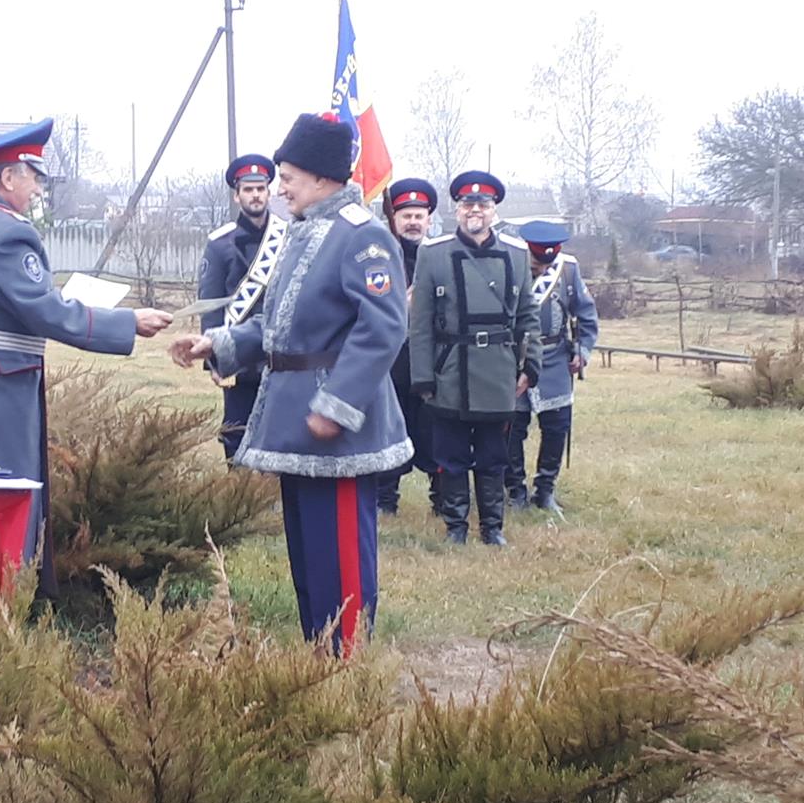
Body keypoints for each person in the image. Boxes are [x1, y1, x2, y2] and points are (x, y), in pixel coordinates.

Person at [170, 112, 410, 655]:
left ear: (324, 177)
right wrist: (222, 344)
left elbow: (383, 329)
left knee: (342, 550)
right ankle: (316, 648)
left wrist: (337, 404)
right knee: (311, 552)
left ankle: (345, 658)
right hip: (295, 424)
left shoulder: (363, 237)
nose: (279, 189)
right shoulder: (304, 233)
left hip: (340, 430)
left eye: (289, 178)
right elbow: (279, 323)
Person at [0, 118, 172, 598]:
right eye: (33, 178)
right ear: (8, 178)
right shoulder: (7, 233)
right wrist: (126, 323)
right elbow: (46, 311)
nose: (36, 192)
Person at [408, 170, 540, 547]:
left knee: (493, 456)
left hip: (499, 371)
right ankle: (455, 527)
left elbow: (529, 317)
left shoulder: (516, 254)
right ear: (456, 208)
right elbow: (419, 325)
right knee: (450, 456)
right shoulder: (433, 254)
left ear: (494, 209)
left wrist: (530, 366)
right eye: (467, 204)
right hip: (450, 368)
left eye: (482, 204)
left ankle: (493, 528)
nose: (475, 211)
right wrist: (423, 376)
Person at [197, 153, 287, 460]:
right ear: (237, 195)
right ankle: (238, 493)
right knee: (236, 428)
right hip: (237, 352)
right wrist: (213, 359)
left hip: (278, 350)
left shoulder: (288, 236)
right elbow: (210, 307)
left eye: (260, 188)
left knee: (278, 428)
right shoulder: (219, 243)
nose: (255, 195)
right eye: (248, 189)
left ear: (269, 192)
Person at [505, 220, 599, 511]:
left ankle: (545, 489)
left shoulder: (568, 269)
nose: (541, 269)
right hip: (514, 358)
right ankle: (514, 491)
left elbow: (585, 313)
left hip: (556, 355)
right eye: (536, 264)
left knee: (557, 426)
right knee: (512, 428)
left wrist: (582, 350)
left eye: (546, 264)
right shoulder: (510, 263)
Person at [375, 177, 440, 516]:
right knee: (390, 432)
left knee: (436, 433)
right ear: (395, 219)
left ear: (429, 219)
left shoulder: (441, 256)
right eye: (406, 216)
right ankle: (386, 500)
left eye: (419, 215)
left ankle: (443, 498)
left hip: (433, 363)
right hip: (393, 364)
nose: (413, 222)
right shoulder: (380, 257)